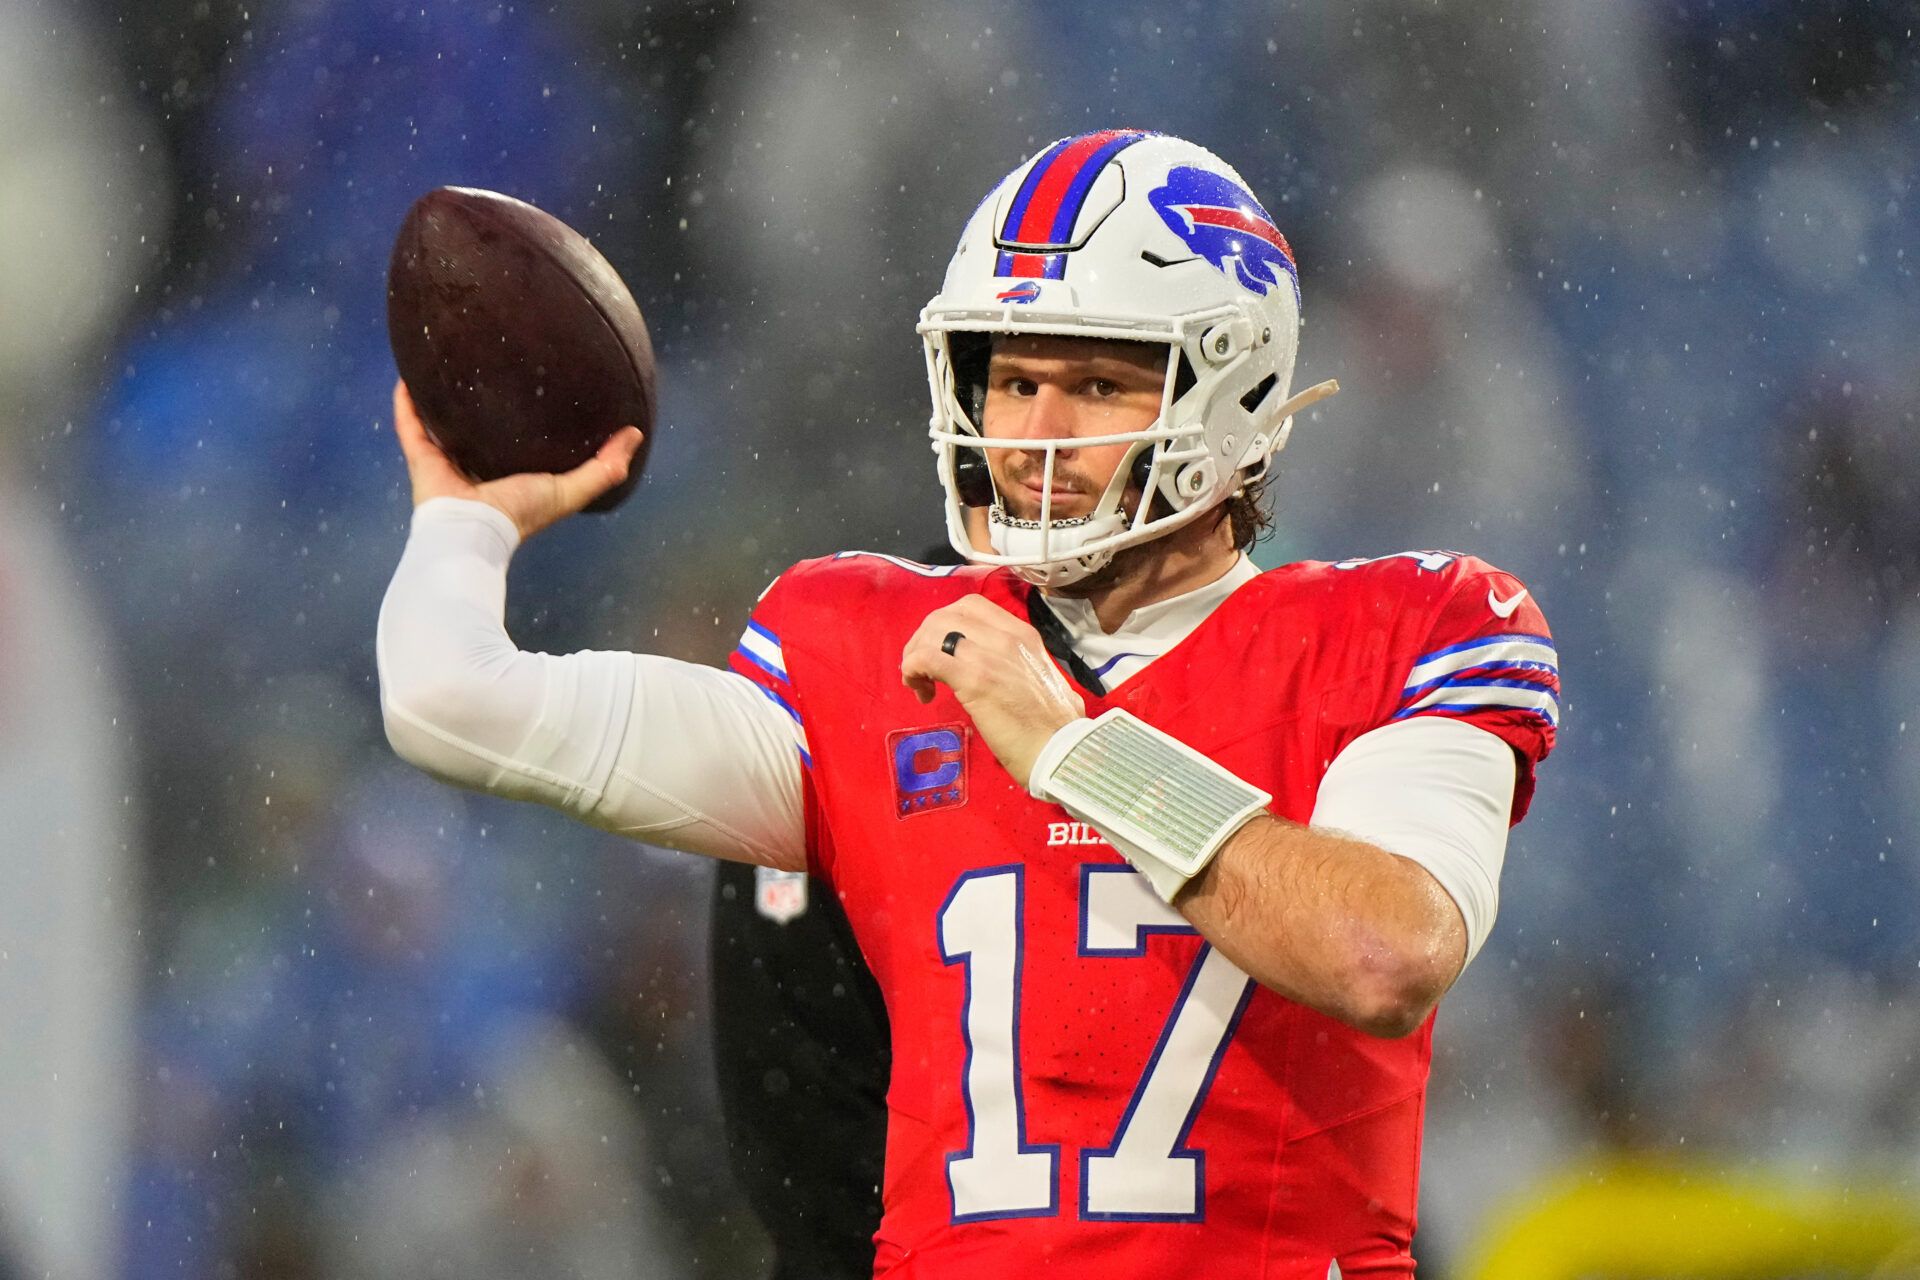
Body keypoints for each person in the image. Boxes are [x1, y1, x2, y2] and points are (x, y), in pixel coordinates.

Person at [378, 130, 1560, 1276]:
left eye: (1096, 382)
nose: (1036, 437)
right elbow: (450, 702)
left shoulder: (1409, 630)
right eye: (1013, 378)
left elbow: (1384, 950)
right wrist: (467, 519)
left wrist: (1072, 747)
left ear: (1233, 390)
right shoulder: (872, 647)